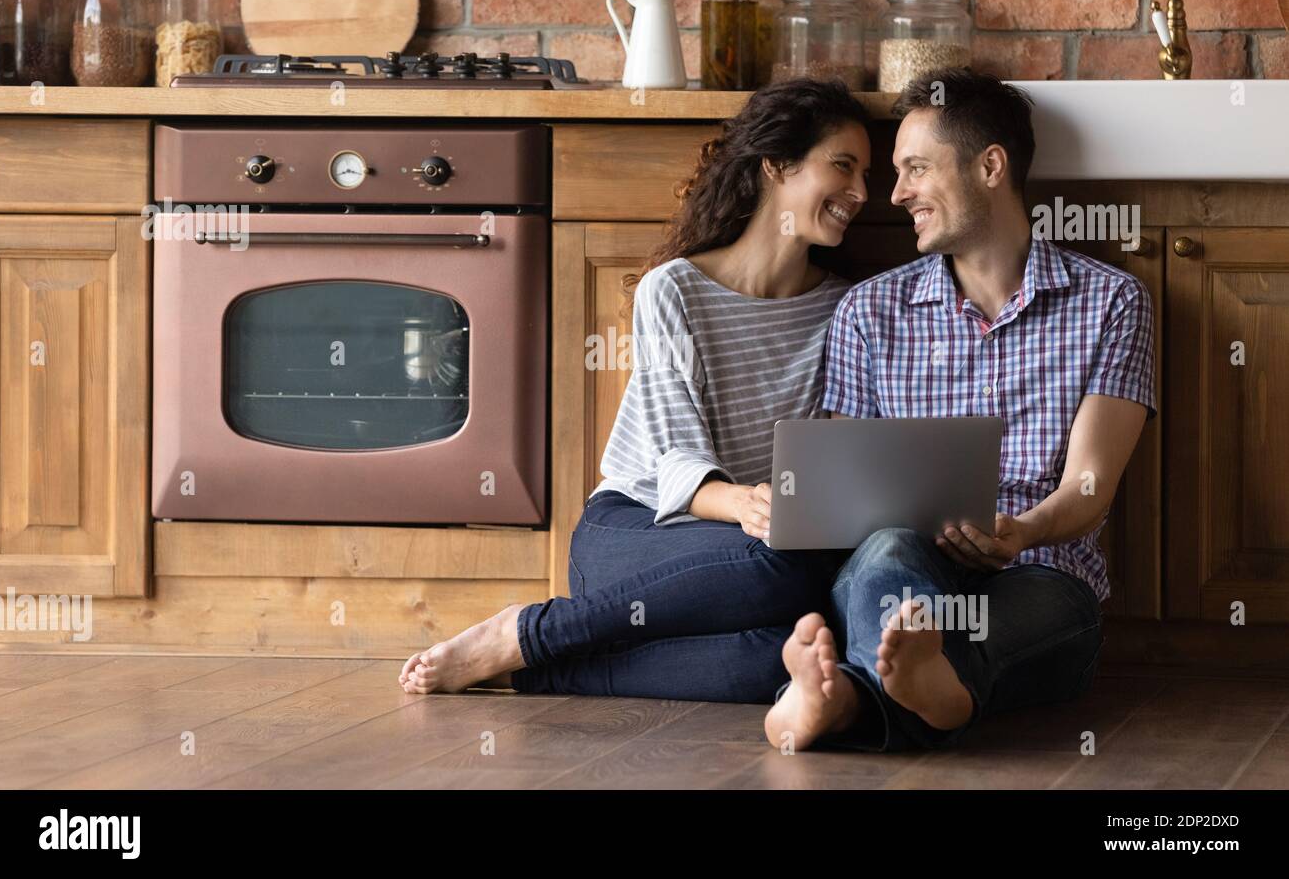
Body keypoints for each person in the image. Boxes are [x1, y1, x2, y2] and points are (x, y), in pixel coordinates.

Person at [399, 78, 873, 702]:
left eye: (866, 174)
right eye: (843, 166)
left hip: (751, 546)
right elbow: (677, 459)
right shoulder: (674, 290)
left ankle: (527, 668)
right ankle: (530, 632)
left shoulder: (845, 307)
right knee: (784, 572)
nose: (862, 193)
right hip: (637, 530)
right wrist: (748, 506)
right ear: (778, 166)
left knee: (789, 659)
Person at [765, 68, 1156, 751]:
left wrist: (1022, 532)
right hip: (906, 556)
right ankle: (928, 693)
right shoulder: (868, 311)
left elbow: (1089, 486)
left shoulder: (1112, 303)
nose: (895, 194)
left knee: (1025, 614)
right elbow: (844, 493)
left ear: (991, 166)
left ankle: (843, 699)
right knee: (887, 555)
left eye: (915, 168)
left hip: (1040, 570)